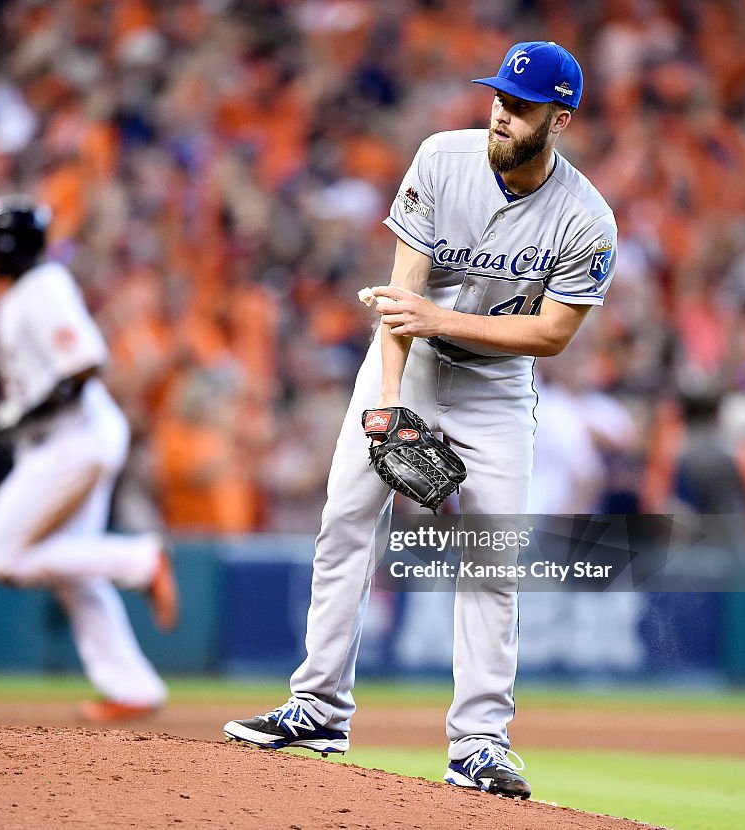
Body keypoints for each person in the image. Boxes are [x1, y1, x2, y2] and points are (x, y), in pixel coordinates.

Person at [224, 41, 617, 799]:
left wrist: (437, 317)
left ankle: (478, 744)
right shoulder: (441, 157)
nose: (504, 113)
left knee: (492, 559)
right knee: (344, 515)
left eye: (523, 106)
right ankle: (318, 705)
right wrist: (391, 403)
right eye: (500, 97)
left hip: (498, 388)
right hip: (409, 358)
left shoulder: (586, 217)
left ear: (560, 118)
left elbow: (552, 336)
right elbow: (402, 294)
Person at [0, 196, 178, 723]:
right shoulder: (27, 291)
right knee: (73, 567)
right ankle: (133, 687)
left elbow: (83, 366)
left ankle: (139, 560)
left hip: (72, 440)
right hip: (71, 440)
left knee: (2, 557)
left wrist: (20, 413)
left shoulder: (43, 288)